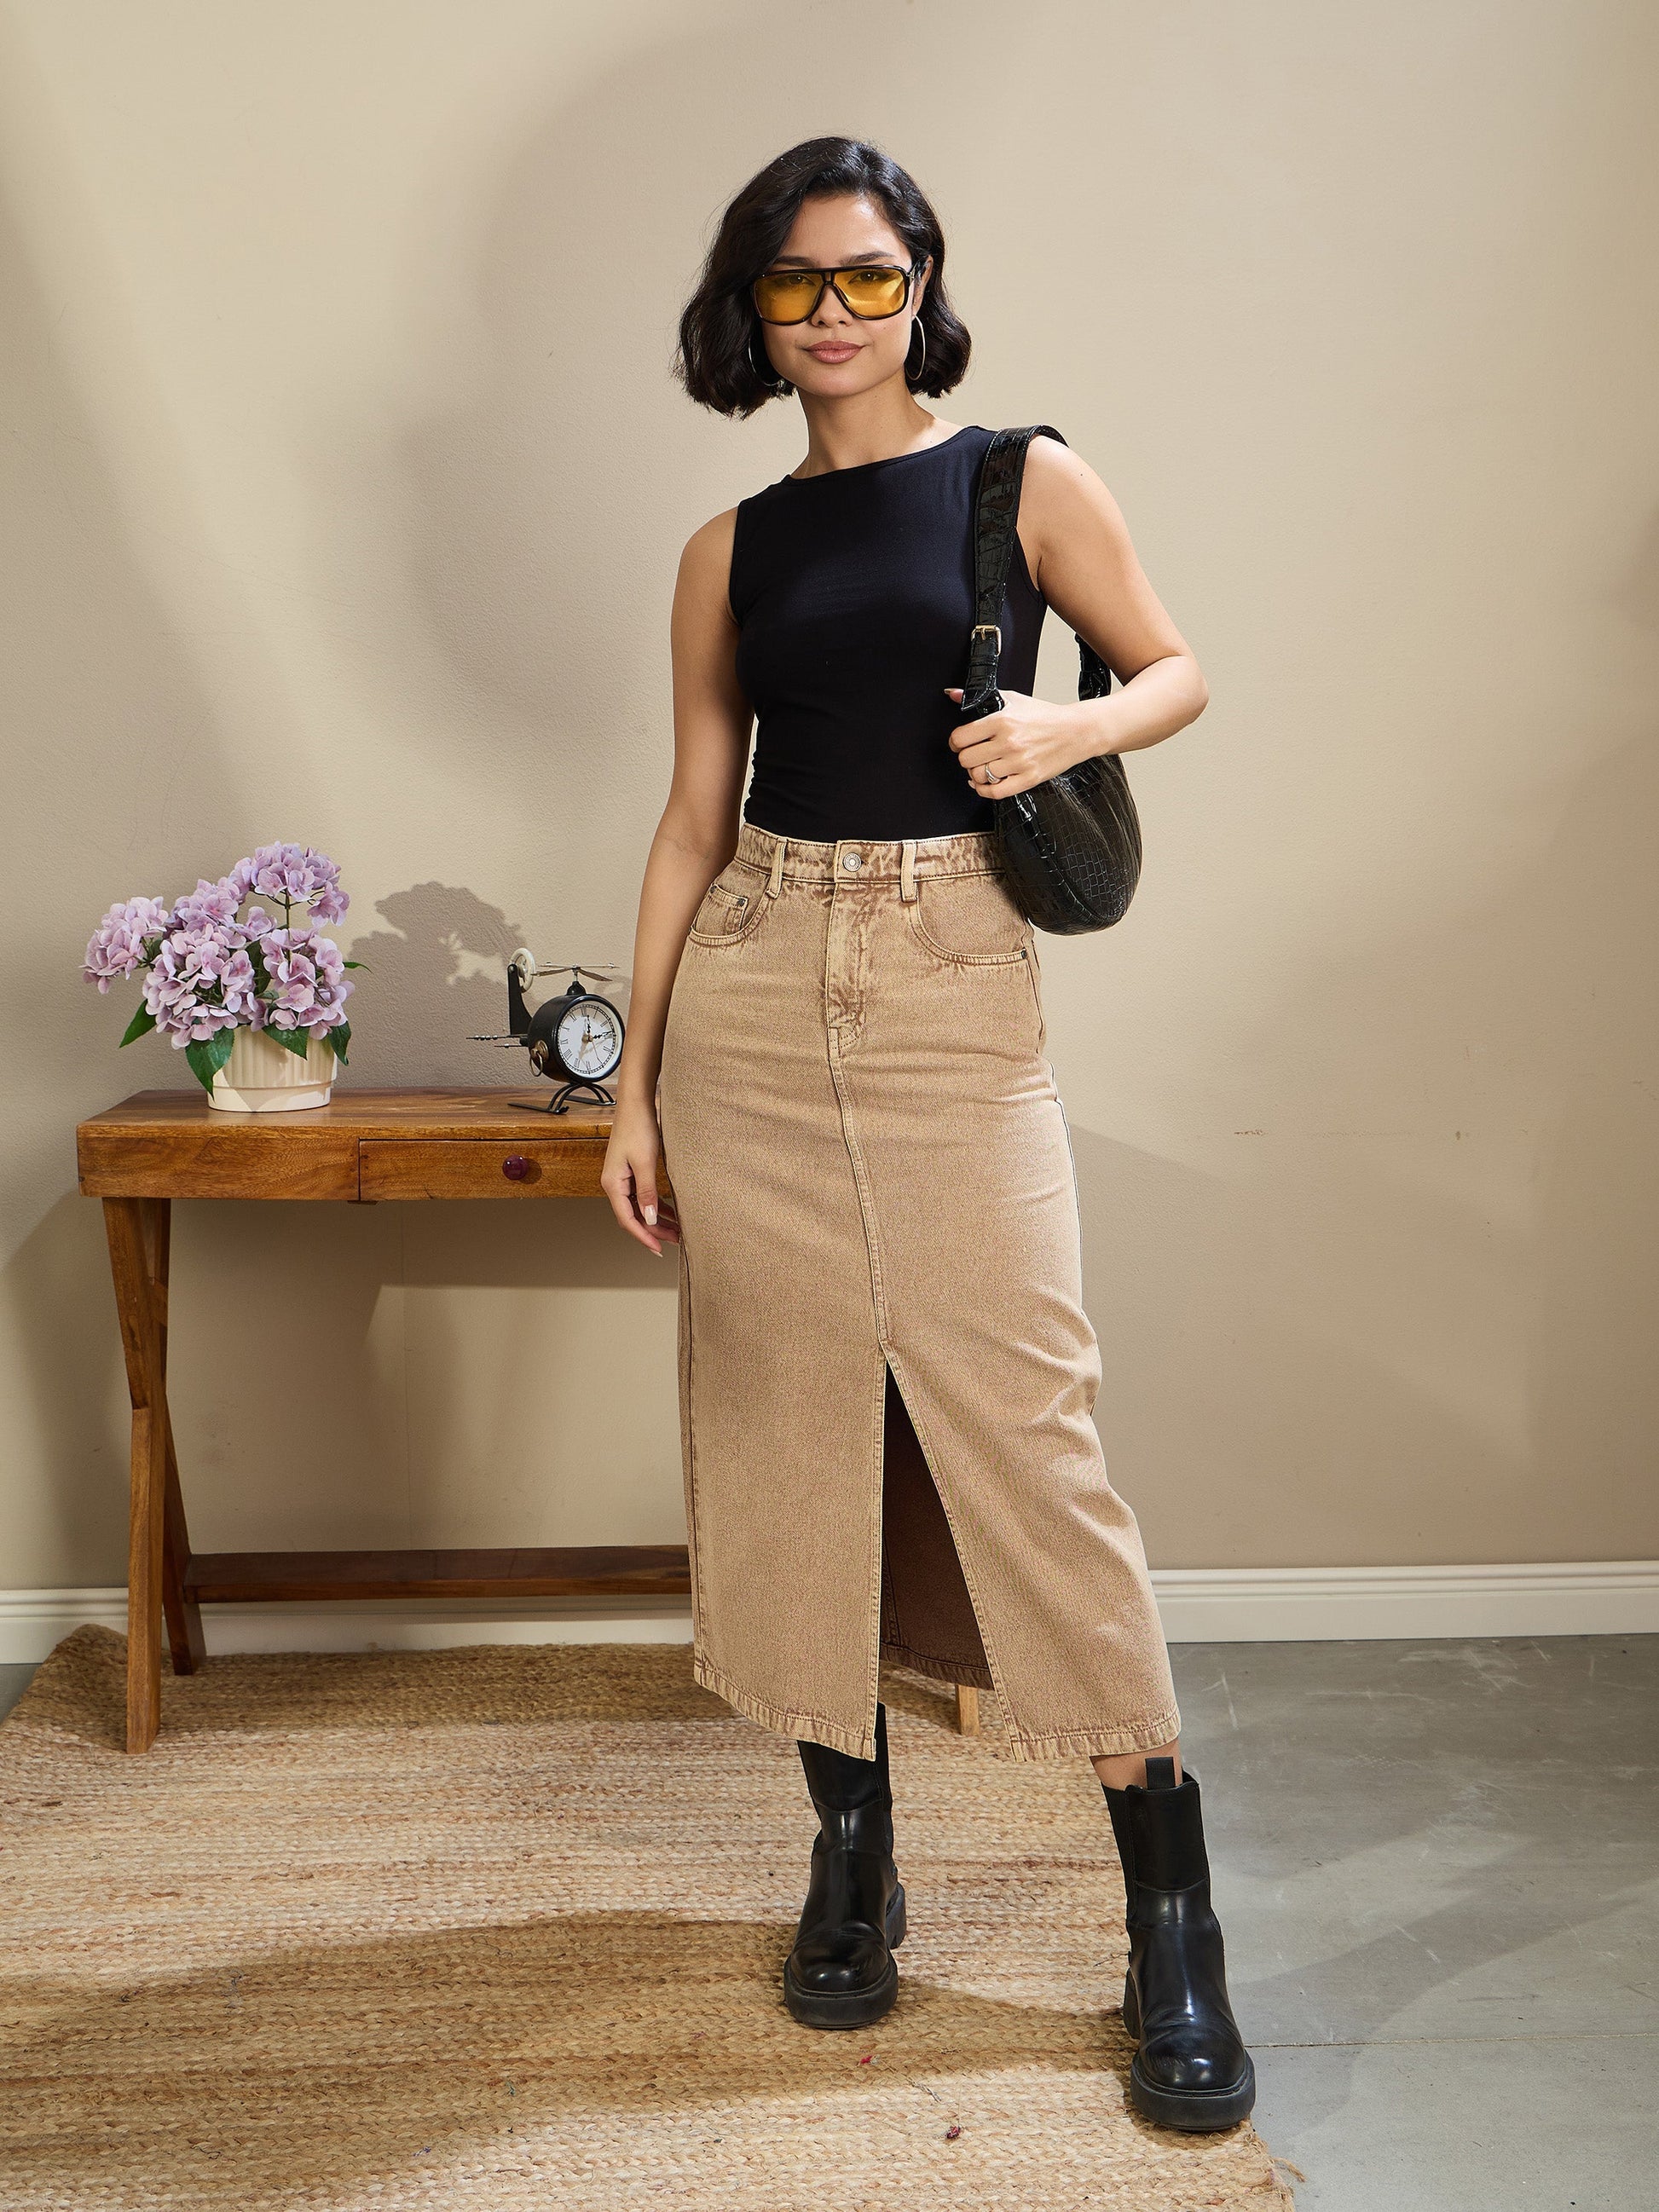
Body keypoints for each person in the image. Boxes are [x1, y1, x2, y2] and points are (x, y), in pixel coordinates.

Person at [600, 136, 1255, 2134]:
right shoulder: (727, 547)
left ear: (921, 286)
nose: (834, 314)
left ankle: (1170, 1911)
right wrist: (631, 1082)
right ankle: (851, 1849)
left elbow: (1176, 668)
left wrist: (1069, 724)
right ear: (750, 305)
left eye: (869, 277)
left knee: (1029, 1432)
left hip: (953, 979)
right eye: (795, 282)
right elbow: (693, 813)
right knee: (790, 1429)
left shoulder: (1018, 480)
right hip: (752, 988)